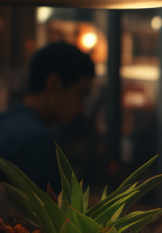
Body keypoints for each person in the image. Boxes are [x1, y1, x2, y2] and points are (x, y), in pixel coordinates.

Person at [0, 42, 95, 191]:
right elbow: (47, 213)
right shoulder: (37, 142)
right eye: (80, 95)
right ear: (54, 84)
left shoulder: (6, 121)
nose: (81, 108)